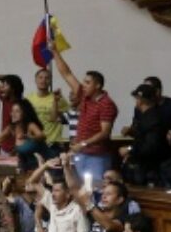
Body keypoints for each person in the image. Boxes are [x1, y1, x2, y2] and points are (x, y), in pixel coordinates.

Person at [48, 44, 118, 184]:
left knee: (95, 190)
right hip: (79, 153)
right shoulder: (85, 97)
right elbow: (67, 74)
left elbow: (105, 132)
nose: (83, 85)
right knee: (77, 190)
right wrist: (55, 51)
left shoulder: (107, 104)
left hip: (96, 156)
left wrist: (84, 144)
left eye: (87, 83)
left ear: (97, 86)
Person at [27, 157, 89, 232]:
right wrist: (45, 166)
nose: (53, 194)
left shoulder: (77, 211)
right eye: (53, 190)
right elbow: (32, 182)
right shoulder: (52, 205)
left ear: (68, 194)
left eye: (57, 191)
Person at [120, 83, 171, 187]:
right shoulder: (146, 116)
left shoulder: (154, 119)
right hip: (142, 166)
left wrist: (130, 149)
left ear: (140, 100)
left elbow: (151, 146)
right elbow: (143, 137)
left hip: (149, 169)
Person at [25, 67, 69, 151]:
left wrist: (65, 140)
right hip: (35, 142)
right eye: (40, 77)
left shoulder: (58, 98)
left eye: (47, 78)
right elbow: (25, 122)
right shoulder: (28, 99)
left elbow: (66, 121)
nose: (43, 80)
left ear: (50, 81)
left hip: (54, 143)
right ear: (36, 80)